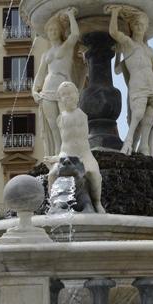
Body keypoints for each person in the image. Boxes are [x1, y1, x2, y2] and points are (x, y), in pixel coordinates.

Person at [107, 5, 153, 157]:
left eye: (142, 25)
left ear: (146, 27)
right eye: (136, 24)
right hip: (138, 84)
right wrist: (114, 12)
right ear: (131, 26)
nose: (139, 27)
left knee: (151, 113)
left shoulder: (149, 50)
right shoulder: (128, 43)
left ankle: (144, 146)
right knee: (138, 113)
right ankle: (128, 141)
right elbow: (113, 32)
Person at [46, 82, 105, 214]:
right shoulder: (60, 118)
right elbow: (61, 142)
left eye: (70, 93)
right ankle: (52, 204)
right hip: (65, 154)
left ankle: (97, 202)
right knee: (51, 175)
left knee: (94, 174)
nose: (67, 97)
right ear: (60, 99)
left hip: (84, 154)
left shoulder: (83, 114)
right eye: (64, 95)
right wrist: (56, 157)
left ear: (77, 95)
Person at [32, 7, 80, 156]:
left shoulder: (66, 47)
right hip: (47, 90)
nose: (52, 32)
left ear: (60, 31)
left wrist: (71, 15)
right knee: (52, 125)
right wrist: (34, 91)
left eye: (54, 29)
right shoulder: (46, 54)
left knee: (64, 122)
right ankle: (57, 152)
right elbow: (40, 75)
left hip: (62, 88)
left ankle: (69, 151)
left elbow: (75, 35)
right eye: (50, 30)